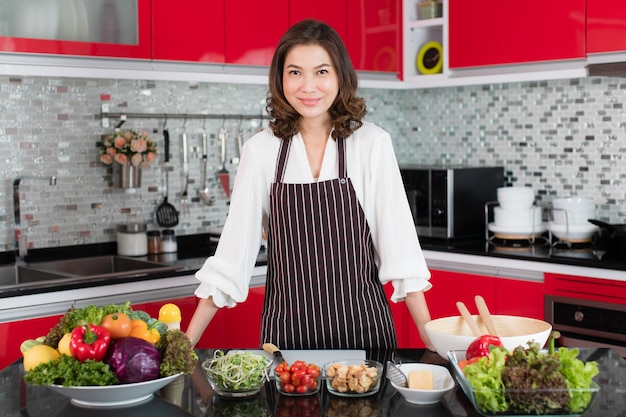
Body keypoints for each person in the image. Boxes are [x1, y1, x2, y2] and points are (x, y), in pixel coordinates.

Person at [185, 19, 434, 352]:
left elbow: (401, 251)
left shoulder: (372, 143)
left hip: (365, 340)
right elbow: (232, 256)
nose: (308, 86)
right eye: (295, 72)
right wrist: (186, 344)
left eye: (321, 71)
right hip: (286, 341)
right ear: (280, 78)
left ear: (340, 76)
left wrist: (432, 343)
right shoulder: (261, 150)